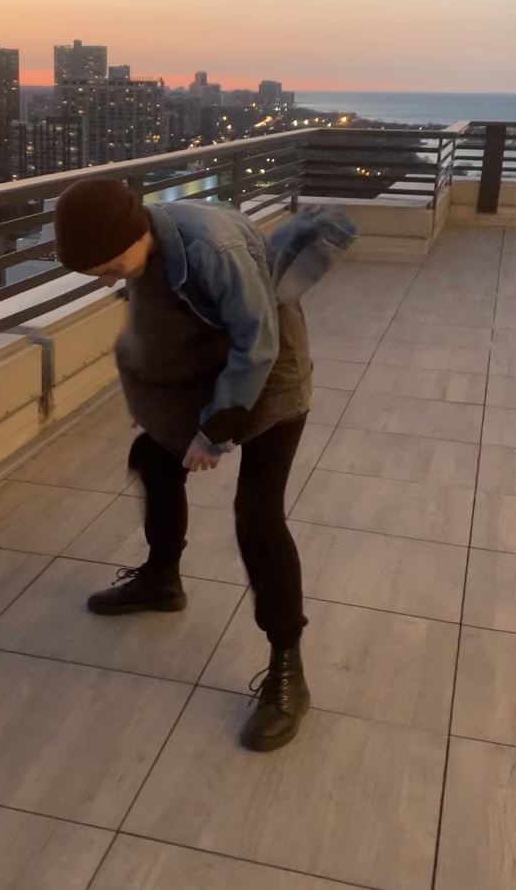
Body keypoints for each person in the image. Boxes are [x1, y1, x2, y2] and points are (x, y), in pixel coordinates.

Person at [53, 178, 354, 751]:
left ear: (136, 231)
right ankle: (162, 580)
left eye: (112, 266)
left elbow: (257, 341)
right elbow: (158, 326)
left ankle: (287, 668)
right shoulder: (143, 243)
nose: (110, 279)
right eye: (98, 274)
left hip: (269, 374)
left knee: (257, 519)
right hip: (200, 365)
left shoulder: (210, 248)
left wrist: (216, 429)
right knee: (154, 457)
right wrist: (157, 407)